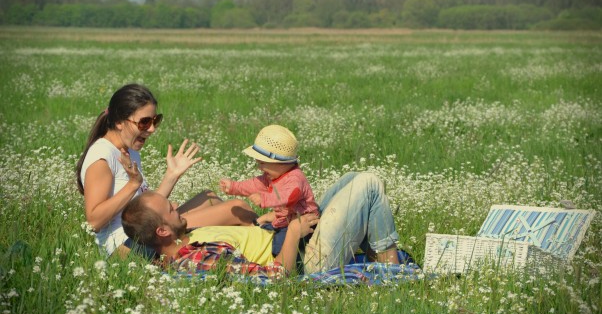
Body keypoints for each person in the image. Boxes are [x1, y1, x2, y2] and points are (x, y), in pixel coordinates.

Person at [76, 83, 257, 257]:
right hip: (124, 246)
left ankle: (242, 251)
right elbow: (94, 222)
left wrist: (172, 175)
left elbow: (145, 210)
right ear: (119, 122)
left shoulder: (129, 150)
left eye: (155, 120)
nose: (152, 129)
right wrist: (132, 185)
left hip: (142, 232)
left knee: (209, 198)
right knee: (236, 208)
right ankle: (272, 248)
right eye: (144, 122)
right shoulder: (102, 157)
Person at [122, 172, 401, 277]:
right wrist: (292, 233)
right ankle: (391, 269)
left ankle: (380, 258)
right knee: (368, 185)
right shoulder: (199, 258)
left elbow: (246, 239)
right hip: (309, 259)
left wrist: (262, 223)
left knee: (351, 178)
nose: (176, 206)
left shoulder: (188, 235)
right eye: (170, 209)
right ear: (162, 231)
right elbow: (278, 277)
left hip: (290, 237)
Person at [219, 125, 319, 256]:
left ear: (280, 162)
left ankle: (296, 265)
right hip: (285, 221)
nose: (259, 167)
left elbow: (289, 196)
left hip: (304, 223)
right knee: (266, 231)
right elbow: (254, 185)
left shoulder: (295, 178)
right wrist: (233, 187)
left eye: (262, 163)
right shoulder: (273, 175)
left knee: (278, 248)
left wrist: (264, 199)